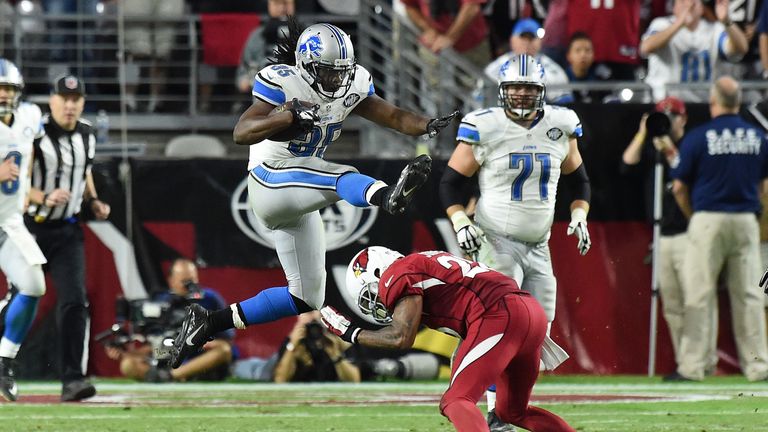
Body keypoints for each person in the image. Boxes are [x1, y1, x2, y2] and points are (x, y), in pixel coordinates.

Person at [169, 21, 457, 369]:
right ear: (306, 65)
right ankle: (385, 196)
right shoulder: (282, 81)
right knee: (340, 175)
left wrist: (427, 124)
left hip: (300, 196)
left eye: (341, 73)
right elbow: (242, 132)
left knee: (305, 296)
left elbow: (393, 115)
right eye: (328, 72)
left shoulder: (352, 84)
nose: (337, 81)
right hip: (269, 181)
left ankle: (207, 323)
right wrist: (286, 116)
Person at [440, 54, 590, 430]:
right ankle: (492, 408)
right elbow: (450, 183)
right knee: (501, 324)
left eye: (529, 88)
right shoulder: (485, 126)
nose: (522, 95)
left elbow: (580, 180)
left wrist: (579, 214)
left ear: (542, 92)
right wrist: (460, 220)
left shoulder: (560, 124)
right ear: (502, 91)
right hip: (495, 239)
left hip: (540, 244)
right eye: (515, 88)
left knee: (538, 329)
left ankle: (508, 406)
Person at [320, 247, 576, 432]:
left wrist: (351, 333)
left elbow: (401, 337)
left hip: (499, 315)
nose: (377, 303)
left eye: (371, 294)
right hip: (529, 312)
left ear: (377, 273)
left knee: (455, 400)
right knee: (512, 411)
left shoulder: (396, 274)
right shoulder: (422, 261)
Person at [671, 76, 768, 381]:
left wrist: (693, 216)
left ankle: (693, 367)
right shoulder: (758, 137)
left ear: (713, 102)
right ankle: (759, 366)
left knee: (699, 294)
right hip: (746, 220)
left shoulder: (698, 137)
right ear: (737, 103)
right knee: (750, 296)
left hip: (708, 219)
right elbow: (765, 187)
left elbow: (678, 188)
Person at [23, 75, 110, 402]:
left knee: (75, 301)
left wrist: (93, 202)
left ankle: (73, 380)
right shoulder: (35, 133)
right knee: (21, 299)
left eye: (76, 99)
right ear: (52, 100)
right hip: (31, 228)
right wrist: (42, 196)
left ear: (83, 102)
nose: (70, 104)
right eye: (64, 98)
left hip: (67, 230)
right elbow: (18, 184)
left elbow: (83, 172)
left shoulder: (87, 133)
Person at [621, 96, 717, 380]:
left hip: (690, 234)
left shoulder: (693, 146)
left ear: (683, 118)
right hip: (662, 236)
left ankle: (702, 362)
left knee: (696, 301)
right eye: (661, 116)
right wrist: (643, 132)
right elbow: (627, 164)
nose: (667, 121)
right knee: (673, 306)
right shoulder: (652, 149)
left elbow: (696, 179)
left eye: (671, 116)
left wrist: (672, 150)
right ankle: (685, 363)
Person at [0, 58, 48, 402]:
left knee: (33, 284)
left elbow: (35, 153)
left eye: (9, 89)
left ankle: (4, 363)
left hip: (8, 221)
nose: (4, 96)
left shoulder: (30, 116)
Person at [105, 258, 234, 382]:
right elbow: (154, 345)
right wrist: (125, 352)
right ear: (171, 281)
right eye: (184, 281)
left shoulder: (210, 298)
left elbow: (227, 341)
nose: (189, 286)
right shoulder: (160, 301)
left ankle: (170, 376)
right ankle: (170, 376)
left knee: (223, 350)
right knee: (128, 364)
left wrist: (196, 342)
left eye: (192, 280)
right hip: (166, 354)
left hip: (198, 356)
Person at [640, 0, 749, 102]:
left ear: (702, 8)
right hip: (665, 103)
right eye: (683, 2)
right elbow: (646, 48)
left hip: (704, 104)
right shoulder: (662, 24)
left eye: (693, 3)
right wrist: (679, 23)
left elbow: (741, 49)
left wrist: (726, 21)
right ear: (674, 7)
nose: (688, 6)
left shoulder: (715, 29)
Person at [484, 18, 570, 103]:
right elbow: (481, 98)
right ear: (512, 40)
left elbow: (563, 104)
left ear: (540, 42)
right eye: (523, 38)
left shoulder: (552, 70)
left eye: (531, 39)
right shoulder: (495, 68)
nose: (527, 43)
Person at [272, 310, 360, 383]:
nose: (312, 318)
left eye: (314, 311)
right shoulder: (292, 342)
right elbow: (280, 380)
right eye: (307, 313)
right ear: (298, 317)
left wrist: (335, 354)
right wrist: (292, 347)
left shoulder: (335, 340)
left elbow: (355, 380)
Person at [236, 0, 295, 95]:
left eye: (286, 3)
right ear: (269, 5)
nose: (282, 8)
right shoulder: (258, 35)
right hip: (266, 90)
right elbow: (245, 68)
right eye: (277, 3)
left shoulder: (304, 34)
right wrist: (246, 79)